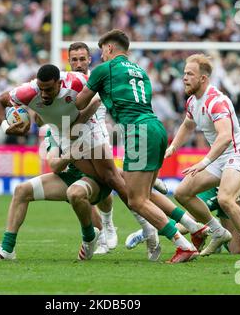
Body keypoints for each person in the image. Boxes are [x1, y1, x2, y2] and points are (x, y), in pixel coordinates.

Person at [74, 29, 199, 263]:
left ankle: (183, 244)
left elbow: (80, 102)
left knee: (136, 200)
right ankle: (193, 227)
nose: (101, 56)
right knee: (144, 194)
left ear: (110, 48)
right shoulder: (140, 71)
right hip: (156, 128)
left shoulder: (105, 69)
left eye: (102, 51)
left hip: (138, 131)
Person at [166, 53, 240, 262]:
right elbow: (187, 125)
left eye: (190, 74)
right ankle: (218, 232)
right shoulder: (192, 102)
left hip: (238, 154)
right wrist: (173, 146)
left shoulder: (216, 101)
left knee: (225, 199)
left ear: (203, 78)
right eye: (184, 73)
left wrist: (204, 162)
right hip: (220, 157)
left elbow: (226, 136)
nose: (184, 78)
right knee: (182, 192)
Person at [0, 129, 112, 261]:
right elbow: (54, 165)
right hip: (72, 176)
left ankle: (102, 229)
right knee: (21, 190)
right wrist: (71, 154)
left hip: (95, 177)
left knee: (84, 194)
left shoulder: (89, 124)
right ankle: (7, 249)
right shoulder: (54, 131)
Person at [68, 42, 117, 254]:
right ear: (69, 61)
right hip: (74, 144)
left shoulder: (98, 79)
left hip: (99, 139)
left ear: (89, 59)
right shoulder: (65, 84)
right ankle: (101, 232)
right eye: (74, 59)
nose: (78, 63)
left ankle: (107, 225)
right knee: (83, 192)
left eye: (82, 59)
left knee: (105, 182)